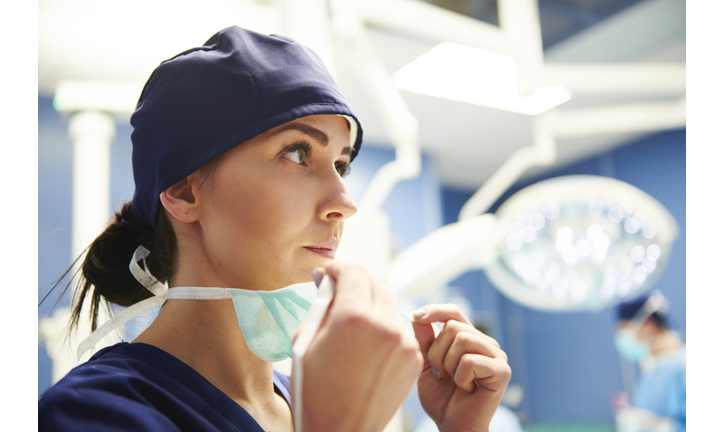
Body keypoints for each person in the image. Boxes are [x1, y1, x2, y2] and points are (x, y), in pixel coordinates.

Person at [38, 26, 511, 431]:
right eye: (298, 152)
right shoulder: (96, 412)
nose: (344, 203)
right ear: (184, 193)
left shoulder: (305, 400)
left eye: (340, 165)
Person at [614, 290, 685, 432]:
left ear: (648, 325)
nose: (622, 339)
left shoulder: (683, 366)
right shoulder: (651, 369)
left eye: (625, 330)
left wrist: (662, 428)